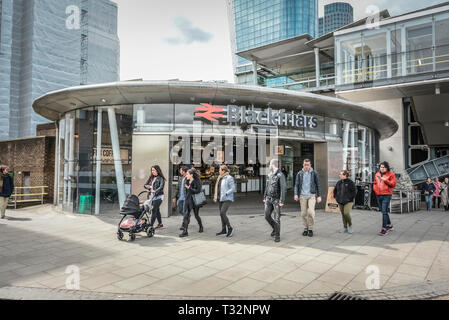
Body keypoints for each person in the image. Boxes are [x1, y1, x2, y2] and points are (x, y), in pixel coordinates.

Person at [294, 159, 322, 237]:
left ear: (310, 165)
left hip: (311, 195)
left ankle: (310, 228)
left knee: (311, 212)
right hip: (302, 196)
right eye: (305, 165)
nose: (306, 166)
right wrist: (296, 194)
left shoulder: (314, 173)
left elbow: (318, 185)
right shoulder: (300, 173)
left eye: (308, 165)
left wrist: (319, 196)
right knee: (303, 214)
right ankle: (305, 228)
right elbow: (296, 184)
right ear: (303, 165)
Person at [263, 159, 286, 242]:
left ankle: (277, 235)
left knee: (277, 218)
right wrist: (264, 197)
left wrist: (281, 201)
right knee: (267, 215)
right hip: (268, 199)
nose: (269, 166)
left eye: (269, 164)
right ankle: (274, 228)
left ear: (272, 165)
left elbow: (283, 189)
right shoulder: (269, 174)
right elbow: (267, 186)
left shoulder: (280, 175)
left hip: (276, 199)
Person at [373, 161, 397, 236]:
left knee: (384, 211)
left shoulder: (391, 174)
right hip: (378, 194)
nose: (382, 168)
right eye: (381, 167)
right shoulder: (377, 174)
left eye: (383, 167)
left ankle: (384, 229)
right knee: (383, 211)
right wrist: (375, 190)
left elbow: (393, 184)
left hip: (387, 195)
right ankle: (389, 225)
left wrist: (385, 180)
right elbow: (375, 183)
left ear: (387, 168)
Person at [179, 168, 204, 237]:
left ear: (191, 175)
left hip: (195, 201)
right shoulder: (187, 180)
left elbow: (198, 191)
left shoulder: (197, 181)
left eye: (187, 174)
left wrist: (189, 188)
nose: (186, 175)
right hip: (188, 200)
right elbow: (186, 191)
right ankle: (185, 231)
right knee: (185, 215)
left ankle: (201, 226)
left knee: (196, 215)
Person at [214, 165, 236, 237]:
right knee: (221, 214)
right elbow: (219, 188)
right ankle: (224, 230)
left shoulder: (229, 178)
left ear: (223, 171)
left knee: (222, 212)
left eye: (220, 170)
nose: (219, 171)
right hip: (221, 198)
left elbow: (233, 188)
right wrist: (216, 196)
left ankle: (230, 228)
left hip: (227, 198)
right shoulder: (220, 178)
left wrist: (226, 193)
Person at [144, 165, 166, 229]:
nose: (152, 171)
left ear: (157, 170)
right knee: (157, 210)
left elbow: (161, 187)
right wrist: (147, 187)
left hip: (159, 197)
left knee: (154, 210)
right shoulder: (151, 177)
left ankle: (151, 225)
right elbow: (145, 185)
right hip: (151, 196)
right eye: (152, 170)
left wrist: (155, 191)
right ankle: (160, 223)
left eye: (154, 170)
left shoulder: (161, 178)